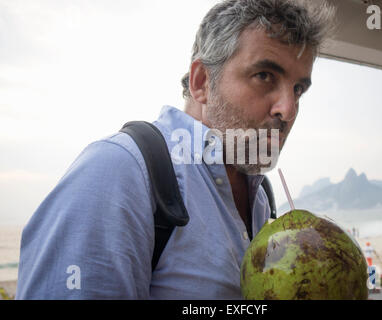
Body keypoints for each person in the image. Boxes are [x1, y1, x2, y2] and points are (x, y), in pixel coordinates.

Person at [16, 0, 335, 299]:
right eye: (264, 75)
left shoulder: (261, 196)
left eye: (298, 90)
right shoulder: (119, 171)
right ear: (201, 82)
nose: (288, 110)